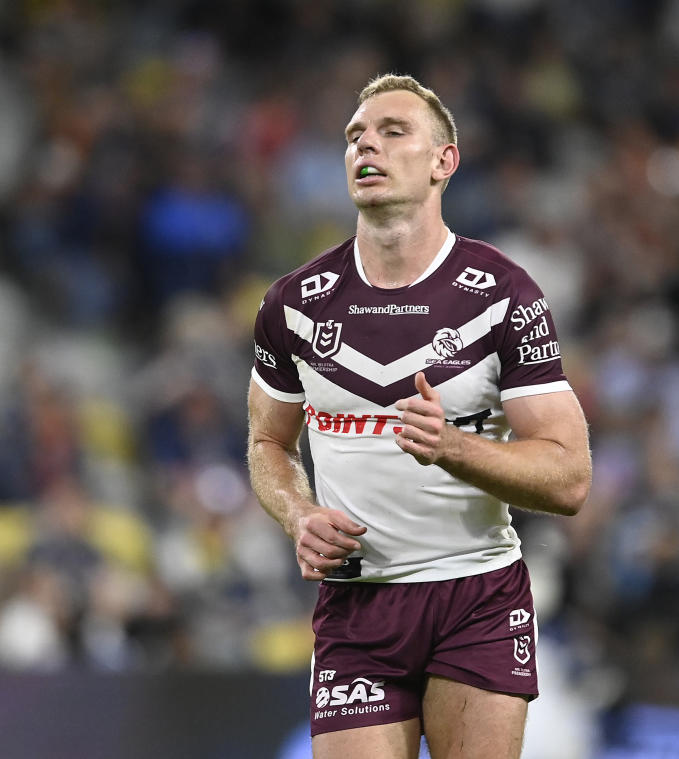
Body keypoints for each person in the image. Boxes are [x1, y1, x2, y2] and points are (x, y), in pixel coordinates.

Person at [247, 73, 592, 759]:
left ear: (443, 162)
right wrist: (299, 514)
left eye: (392, 131)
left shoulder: (503, 294)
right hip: (358, 603)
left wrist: (455, 448)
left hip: (477, 593)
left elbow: (570, 477)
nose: (365, 145)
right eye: (354, 136)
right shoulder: (294, 304)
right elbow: (267, 442)